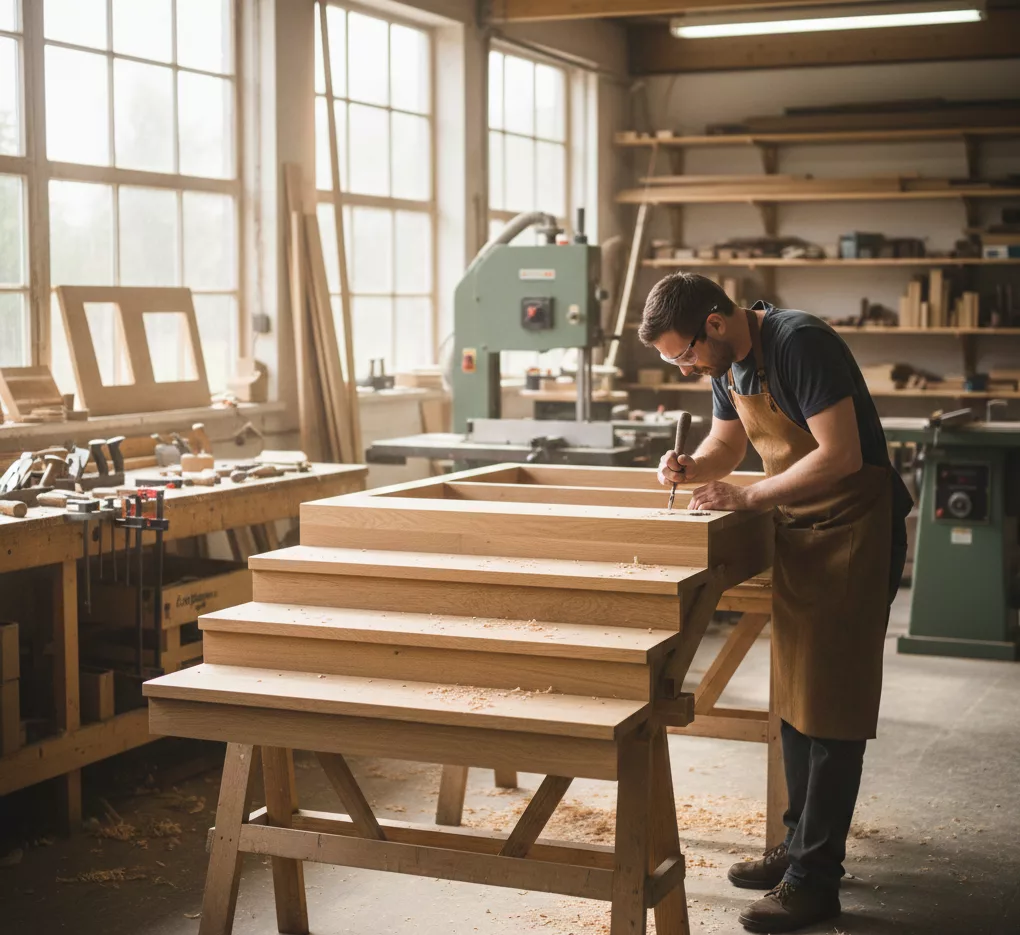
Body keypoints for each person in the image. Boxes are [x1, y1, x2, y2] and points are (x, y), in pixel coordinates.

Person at [639, 273, 911, 933]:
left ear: (715, 321)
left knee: (834, 708)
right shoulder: (726, 363)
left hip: (854, 525)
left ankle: (817, 878)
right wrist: (691, 467)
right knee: (794, 696)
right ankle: (796, 846)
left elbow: (840, 454)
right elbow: (727, 445)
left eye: (685, 355)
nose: (686, 366)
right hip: (803, 531)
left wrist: (750, 497)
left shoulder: (799, 343)